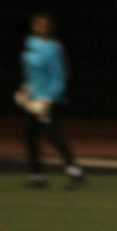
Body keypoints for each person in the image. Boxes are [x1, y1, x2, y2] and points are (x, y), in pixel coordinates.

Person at [16, 12, 84, 189]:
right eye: (37, 24)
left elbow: (59, 76)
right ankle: (38, 176)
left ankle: (75, 171)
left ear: (49, 27)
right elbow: (31, 74)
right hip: (33, 99)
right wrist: (25, 88)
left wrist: (49, 98)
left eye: (43, 25)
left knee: (52, 135)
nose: (39, 27)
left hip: (46, 100)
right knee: (29, 136)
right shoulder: (30, 44)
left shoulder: (54, 48)